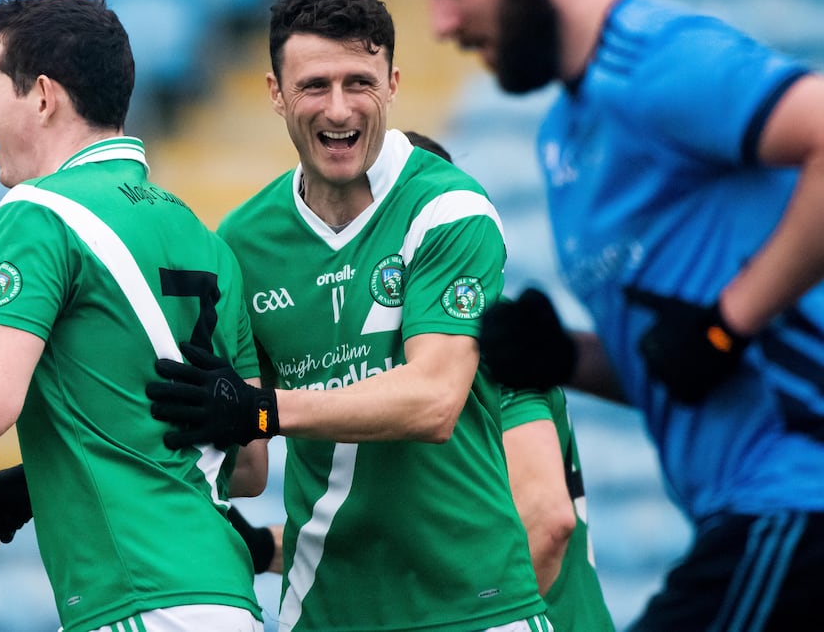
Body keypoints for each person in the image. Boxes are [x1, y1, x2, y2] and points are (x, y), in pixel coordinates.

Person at [400, 0, 824, 631]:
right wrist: (570, 358)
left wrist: (729, 323)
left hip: (798, 495)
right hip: (745, 513)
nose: (443, 22)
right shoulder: (566, 136)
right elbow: (683, 359)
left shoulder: (654, 61)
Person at [147, 0, 550, 632]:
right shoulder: (241, 243)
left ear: (392, 82)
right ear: (276, 93)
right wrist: (54, 476)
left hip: (474, 611)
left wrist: (264, 410)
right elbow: (244, 468)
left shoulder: (447, 208)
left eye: (358, 82)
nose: (339, 110)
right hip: (324, 610)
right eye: (314, 86)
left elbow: (434, 400)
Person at [0, 0, 269, 632]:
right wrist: (46, 477)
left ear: (41, 95)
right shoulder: (208, 242)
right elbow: (248, 468)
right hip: (223, 595)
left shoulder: (38, 211)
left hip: (138, 598)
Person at [225, 130, 612, 632]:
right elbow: (411, 539)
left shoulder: (493, 359)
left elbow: (544, 521)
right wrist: (262, 548)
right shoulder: (376, 359)